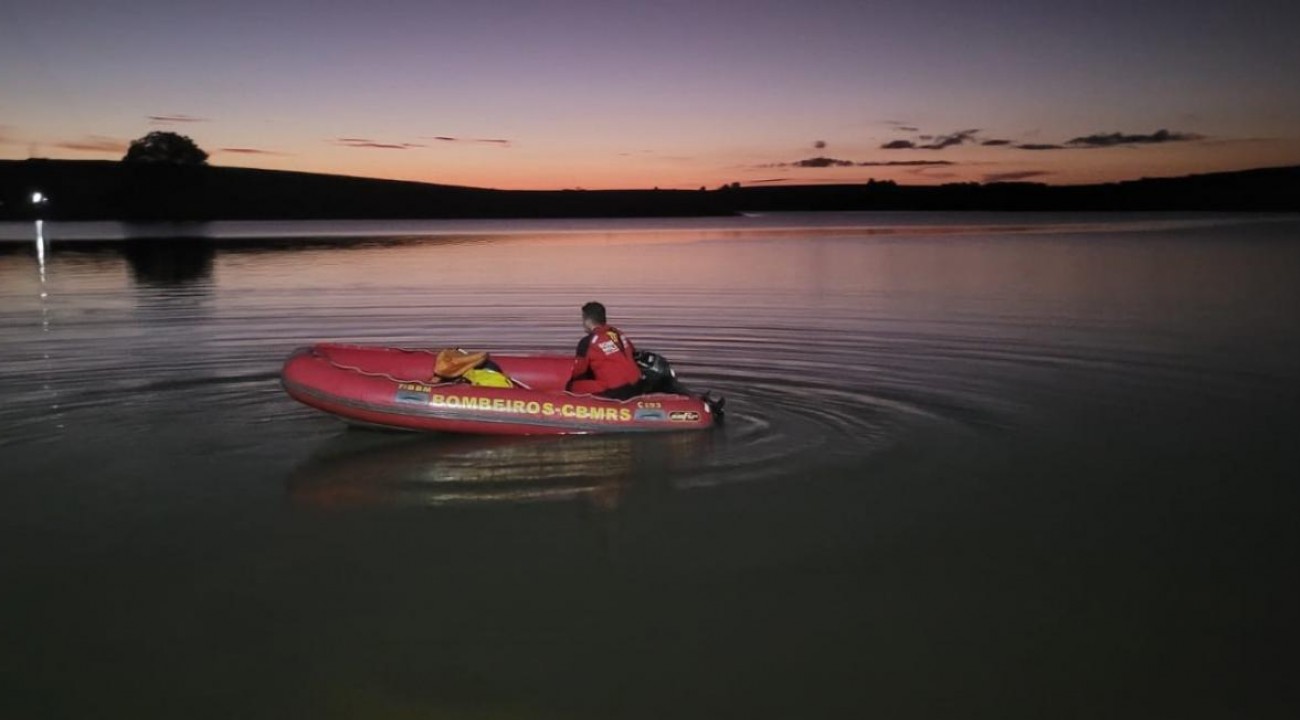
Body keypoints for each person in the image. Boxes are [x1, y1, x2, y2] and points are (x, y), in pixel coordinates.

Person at [568, 301, 642, 398]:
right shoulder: (617, 333)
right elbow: (631, 351)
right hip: (637, 383)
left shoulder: (587, 342)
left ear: (587, 321)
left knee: (573, 386)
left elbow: (578, 371)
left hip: (616, 390)